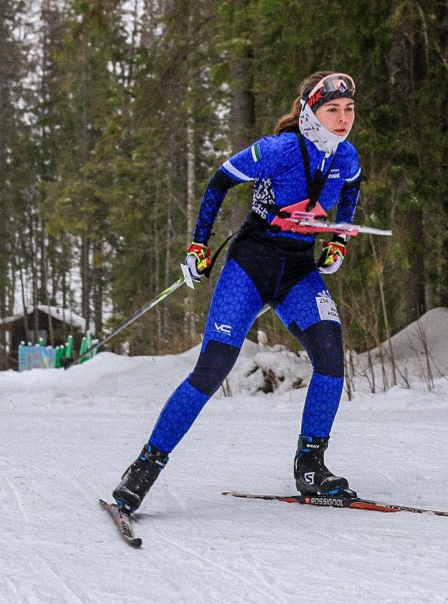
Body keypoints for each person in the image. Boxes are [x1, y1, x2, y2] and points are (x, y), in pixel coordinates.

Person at [112, 71, 362, 514]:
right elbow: (219, 181)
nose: (343, 119)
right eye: (332, 110)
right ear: (309, 113)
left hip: (299, 271)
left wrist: (337, 242)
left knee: (330, 353)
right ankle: (144, 468)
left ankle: (311, 466)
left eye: (348, 109)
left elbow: (351, 192)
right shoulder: (280, 149)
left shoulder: (347, 158)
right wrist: (197, 246)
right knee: (212, 369)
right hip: (250, 266)